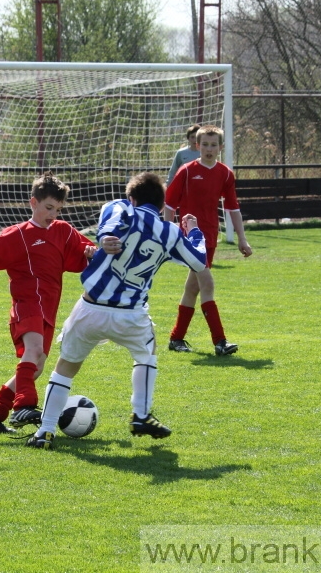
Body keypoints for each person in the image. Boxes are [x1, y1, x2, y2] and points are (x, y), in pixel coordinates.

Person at [25, 172, 208, 449]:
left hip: (91, 308)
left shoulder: (121, 208)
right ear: (161, 206)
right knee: (147, 355)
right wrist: (193, 230)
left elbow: (110, 217)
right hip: (131, 314)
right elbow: (199, 262)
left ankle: (45, 431)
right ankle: (141, 415)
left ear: (131, 198)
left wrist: (105, 237)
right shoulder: (169, 232)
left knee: (67, 366)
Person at [0, 174, 101, 434]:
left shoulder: (63, 231)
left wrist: (91, 254)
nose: (53, 214)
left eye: (58, 209)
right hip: (26, 303)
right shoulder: (17, 234)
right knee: (34, 349)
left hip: (49, 309)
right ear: (34, 203)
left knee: (37, 366)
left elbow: (86, 255)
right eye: (49, 208)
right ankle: (24, 405)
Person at [163, 124, 253, 356]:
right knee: (207, 284)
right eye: (205, 145)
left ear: (221, 147)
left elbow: (233, 208)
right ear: (197, 145)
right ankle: (220, 341)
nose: (209, 149)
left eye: (214, 145)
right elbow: (170, 205)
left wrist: (242, 239)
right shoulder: (187, 171)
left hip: (210, 237)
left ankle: (176, 338)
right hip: (189, 239)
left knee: (193, 287)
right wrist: (169, 232)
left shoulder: (225, 173)